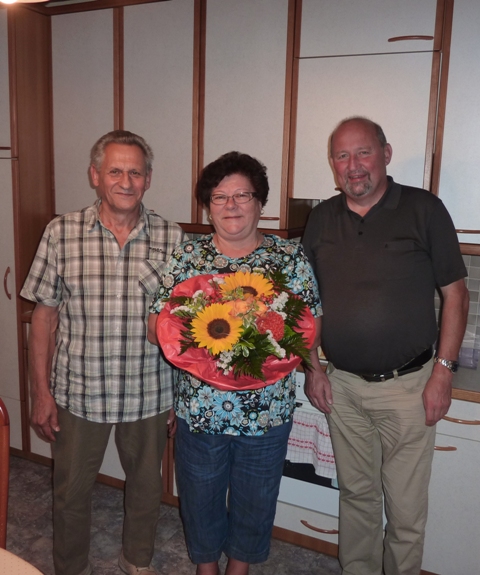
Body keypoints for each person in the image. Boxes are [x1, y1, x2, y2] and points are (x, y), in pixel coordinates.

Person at [302, 117, 469, 575]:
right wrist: (314, 368)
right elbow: (302, 301)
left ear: (387, 153)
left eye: (363, 153)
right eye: (342, 156)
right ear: (332, 163)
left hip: (409, 386)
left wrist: (444, 371)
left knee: (405, 511)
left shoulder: (423, 209)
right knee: (356, 497)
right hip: (344, 387)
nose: (353, 166)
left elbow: (455, 292)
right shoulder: (321, 218)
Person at [148, 151, 322, 575]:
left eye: (242, 195)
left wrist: (316, 372)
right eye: (220, 196)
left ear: (260, 203)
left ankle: (239, 568)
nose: (231, 206)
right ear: (207, 207)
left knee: (257, 495)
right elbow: (163, 324)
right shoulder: (187, 258)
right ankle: (206, 567)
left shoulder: (288, 259)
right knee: (199, 494)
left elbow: (309, 323)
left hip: (267, 410)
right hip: (200, 409)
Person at [21, 130, 185, 575]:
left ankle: (137, 562)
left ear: (148, 179)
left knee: (146, 490)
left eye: (135, 171)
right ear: (96, 175)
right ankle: (70, 567)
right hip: (79, 392)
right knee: (70, 493)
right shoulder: (61, 233)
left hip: (149, 394)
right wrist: (41, 392)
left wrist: (179, 393)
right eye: (115, 170)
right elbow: (44, 318)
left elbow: (185, 327)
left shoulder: (174, 239)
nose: (126, 181)